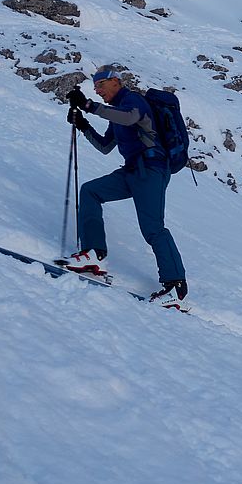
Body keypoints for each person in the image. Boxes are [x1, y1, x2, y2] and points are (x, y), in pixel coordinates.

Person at [67, 66, 187, 306]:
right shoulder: (115, 111)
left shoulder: (134, 101)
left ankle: (175, 288)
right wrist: (83, 125)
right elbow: (105, 146)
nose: (98, 90)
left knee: (153, 228)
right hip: (132, 171)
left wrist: (90, 106)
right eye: (95, 87)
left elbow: (130, 117)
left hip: (151, 170)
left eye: (100, 85)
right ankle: (94, 255)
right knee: (91, 191)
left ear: (115, 82)